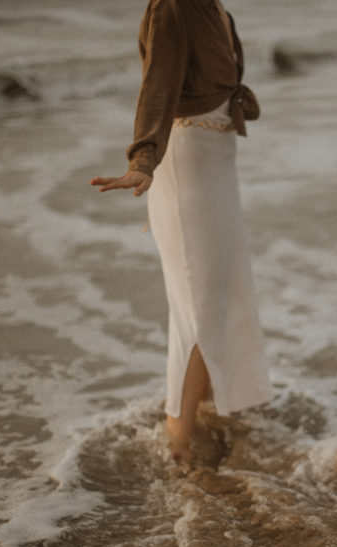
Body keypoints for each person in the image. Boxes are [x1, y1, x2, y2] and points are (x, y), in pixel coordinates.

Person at [91, 0, 272, 461]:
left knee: (225, 293)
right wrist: (142, 159)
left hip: (215, 164)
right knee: (199, 307)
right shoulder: (173, 5)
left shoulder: (215, 9)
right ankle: (178, 441)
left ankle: (210, 413)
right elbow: (157, 85)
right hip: (185, 165)